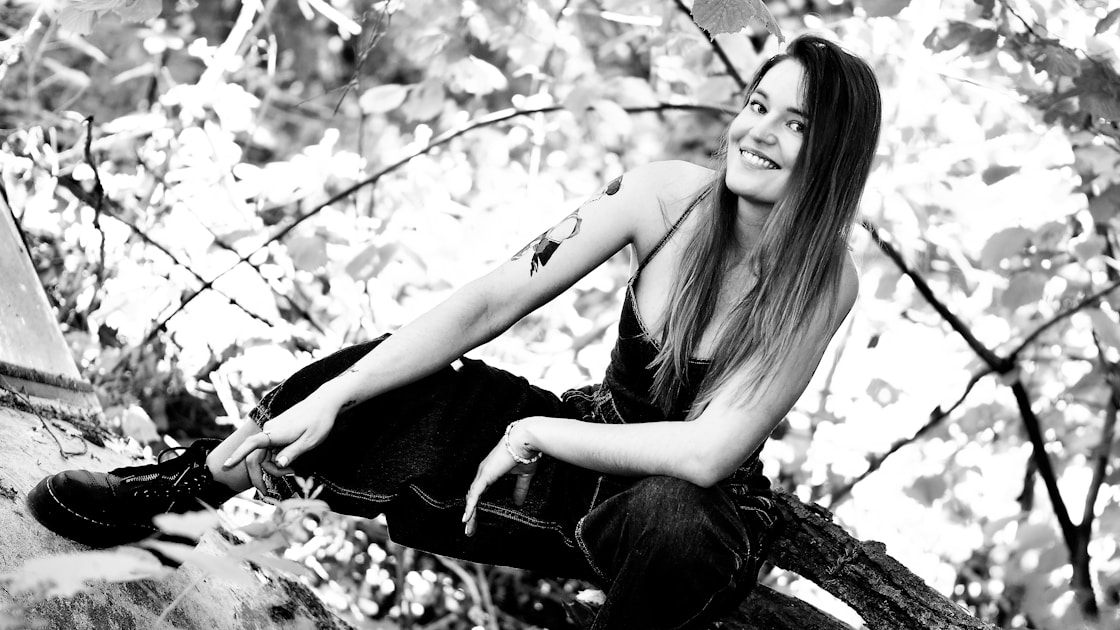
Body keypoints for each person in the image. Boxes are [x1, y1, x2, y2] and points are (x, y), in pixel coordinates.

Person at [26, 34, 881, 628]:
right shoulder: (665, 196)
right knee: (382, 381)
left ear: (832, 155)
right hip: (581, 468)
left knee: (672, 517)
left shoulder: (823, 281)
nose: (758, 133)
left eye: (795, 125)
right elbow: (485, 304)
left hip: (690, 521)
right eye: (758, 105)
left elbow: (704, 456)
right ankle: (191, 487)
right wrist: (343, 393)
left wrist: (541, 430)